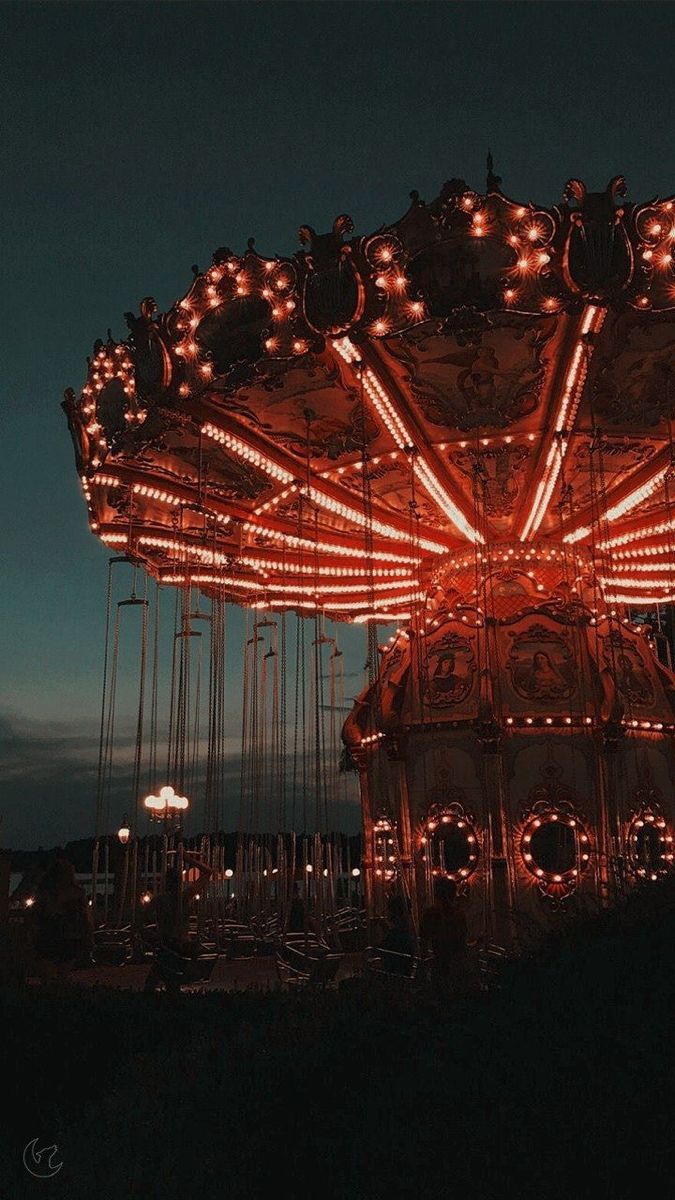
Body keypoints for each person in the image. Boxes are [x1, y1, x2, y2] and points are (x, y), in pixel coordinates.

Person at [144, 849, 213, 995]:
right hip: (178, 944)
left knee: (157, 983)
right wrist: (188, 860)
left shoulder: (163, 900)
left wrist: (150, 935)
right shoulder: (182, 897)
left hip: (170, 944)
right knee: (170, 983)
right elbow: (207, 872)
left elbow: (141, 919)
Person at [31, 855, 93, 987]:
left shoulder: (45, 893)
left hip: (54, 935)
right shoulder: (76, 892)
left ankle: (52, 997)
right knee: (61, 973)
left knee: (50, 974)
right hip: (64, 935)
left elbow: (38, 914)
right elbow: (84, 916)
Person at [420, 876, 469, 1000]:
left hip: (440, 963)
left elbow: (424, 942)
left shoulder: (430, 914)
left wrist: (422, 966)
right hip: (458, 964)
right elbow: (462, 941)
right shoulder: (459, 915)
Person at [380, 893, 417, 975]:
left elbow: (384, 952)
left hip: (395, 975)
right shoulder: (409, 932)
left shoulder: (396, 936)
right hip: (403, 971)